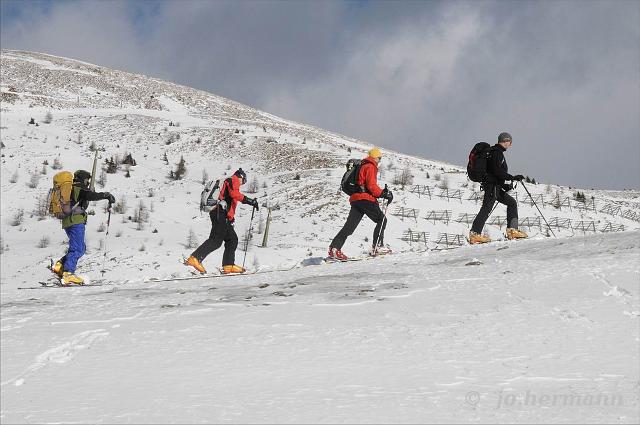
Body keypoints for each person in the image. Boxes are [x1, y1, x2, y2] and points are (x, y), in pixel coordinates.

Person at [185, 168, 259, 274]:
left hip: (222, 214)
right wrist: (249, 201)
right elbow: (235, 195)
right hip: (219, 212)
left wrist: (230, 219)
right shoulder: (234, 179)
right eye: (244, 181)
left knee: (232, 239)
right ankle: (195, 258)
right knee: (216, 240)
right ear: (242, 177)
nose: (242, 184)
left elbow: (230, 202)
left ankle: (228, 265)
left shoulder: (229, 182)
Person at [50, 170, 115, 285]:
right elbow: (90, 196)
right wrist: (106, 195)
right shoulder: (79, 187)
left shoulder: (72, 189)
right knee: (78, 249)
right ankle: (68, 274)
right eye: (87, 180)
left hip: (69, 220)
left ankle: (59, 266)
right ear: (82, 179)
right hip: (76, 220)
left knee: (80, 248)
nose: (88, 182)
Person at [329, 148, 393, 260]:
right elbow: (372, 186)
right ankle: (377, 247)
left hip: (356, 199)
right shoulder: (371, 166)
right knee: (382, 220)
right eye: (379, 158)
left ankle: (335, 248)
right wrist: (384, 194)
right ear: (375, 157)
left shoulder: (361, 165)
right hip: (365, 199)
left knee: (349, 227)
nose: (379, 160)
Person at [469, 132, 528, 244]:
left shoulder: (494, 152)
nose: (510, 145)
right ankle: (474, 234)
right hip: (492, 187)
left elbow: (494, 172)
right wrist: (512, 177)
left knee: (511, 203)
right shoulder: (497, 153)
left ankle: (512, 230)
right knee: (486, 208)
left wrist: (505, 185)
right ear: (506, 141)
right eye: (510, 142)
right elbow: (497, 171)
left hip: (494, 186)